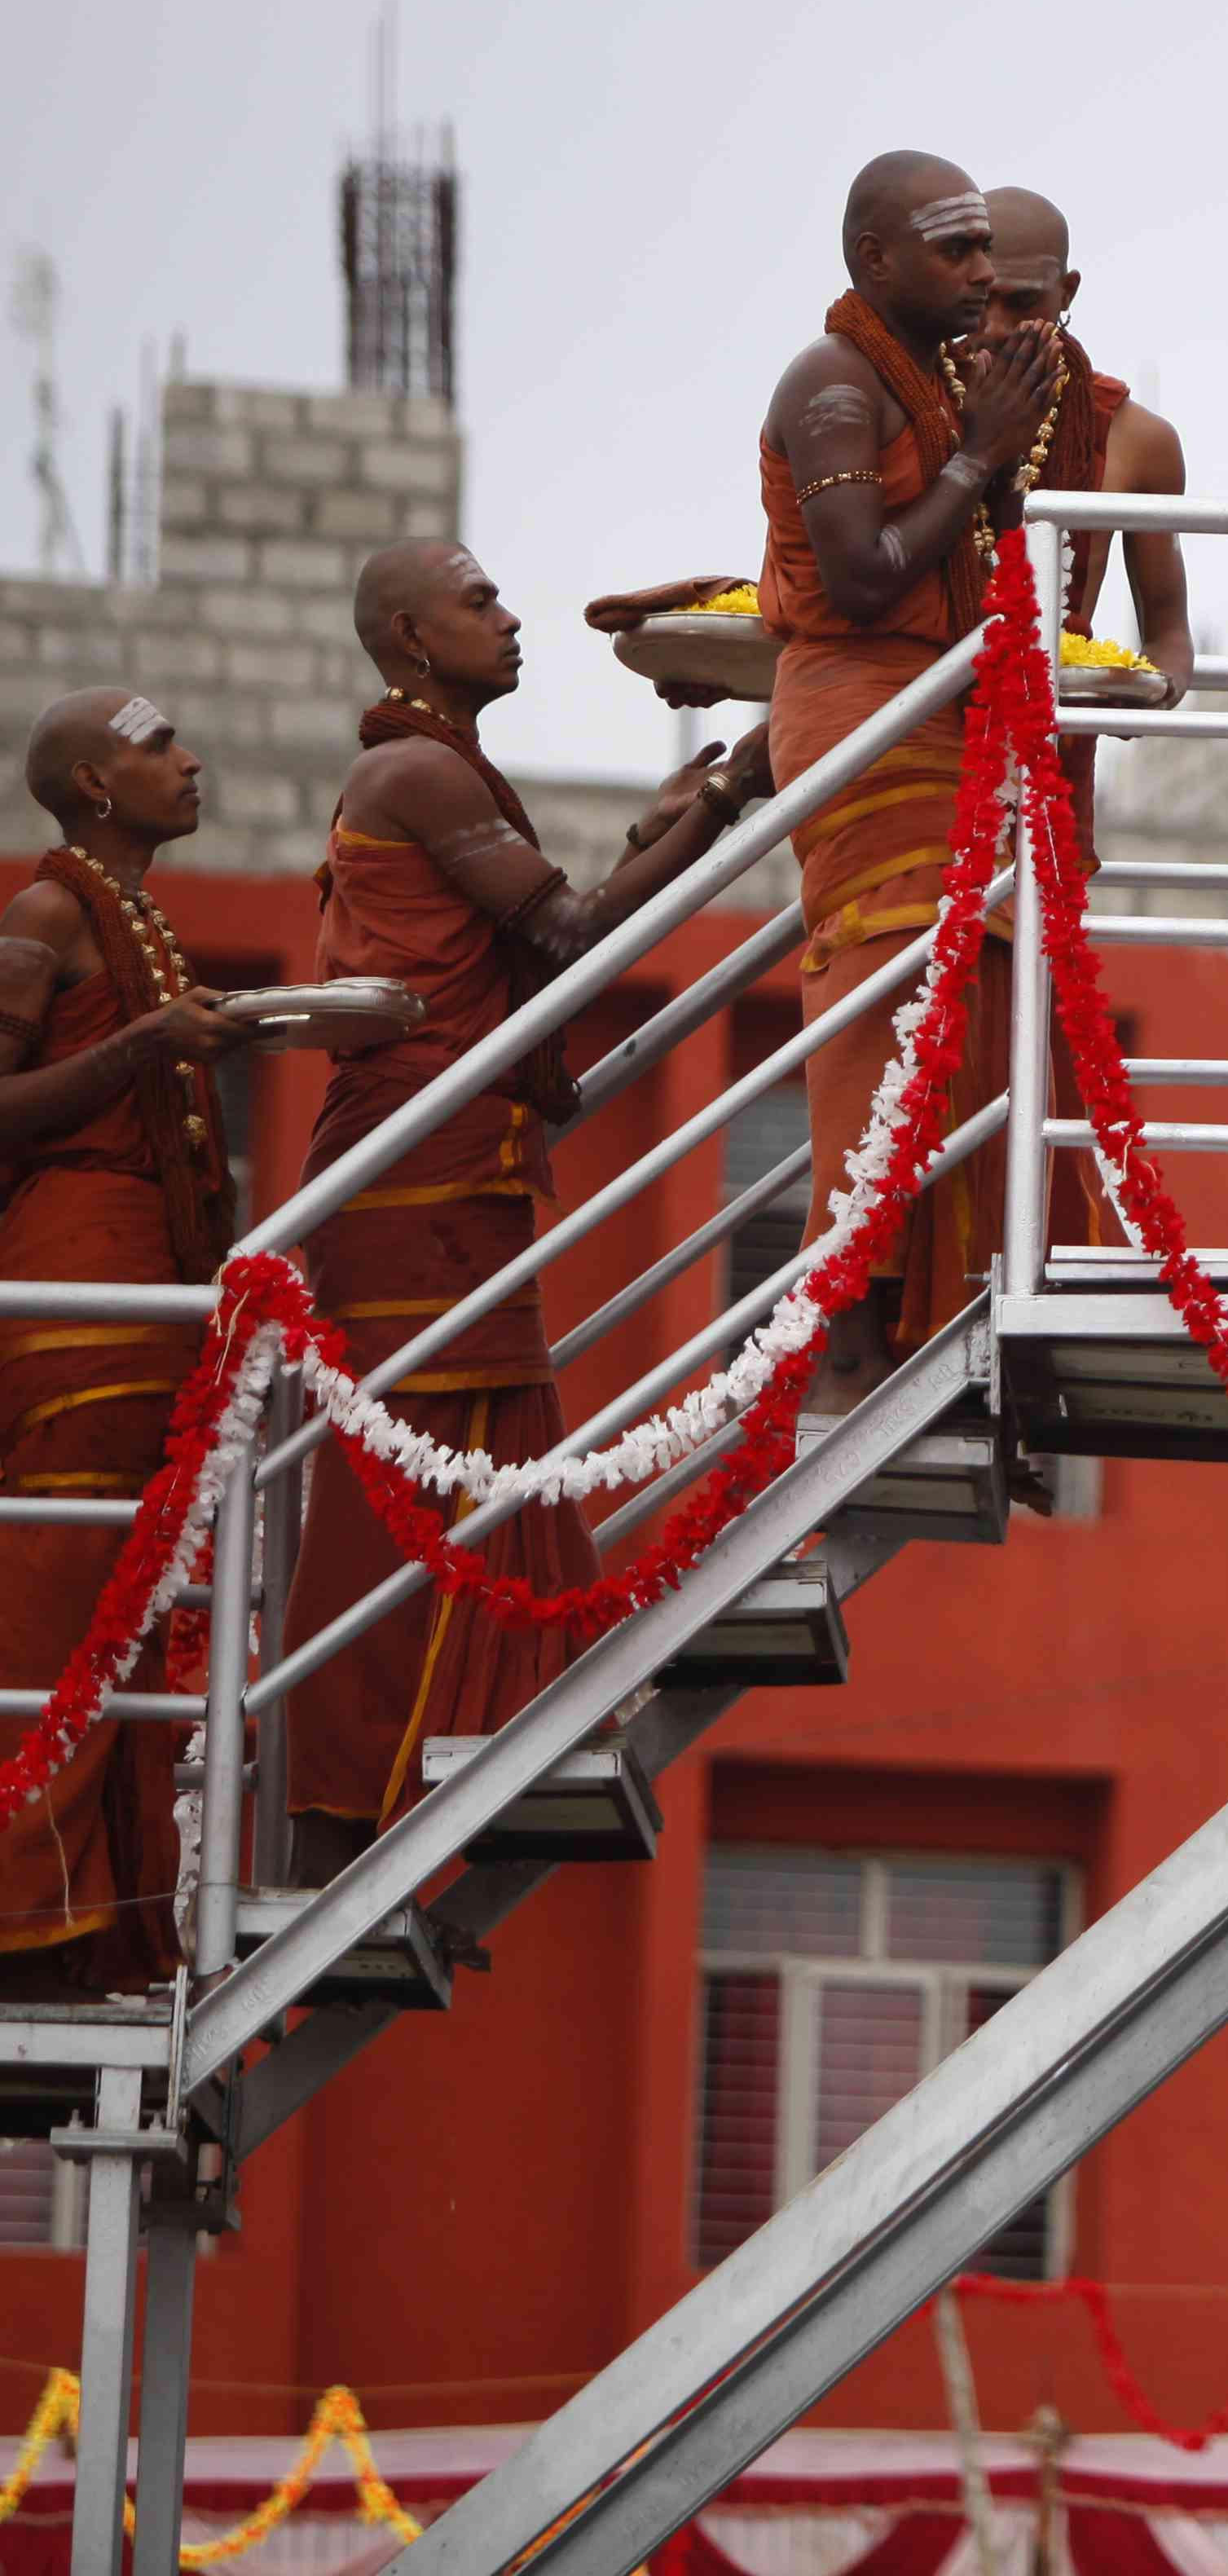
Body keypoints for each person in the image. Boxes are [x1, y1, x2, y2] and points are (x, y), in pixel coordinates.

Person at [279, 545, 767, 1865]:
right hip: (413, 1154)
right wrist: (722, 800)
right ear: (406, 635)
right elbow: (567, 935)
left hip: (446, 1153)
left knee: (482, 1443)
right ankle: (345, 1798)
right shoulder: (418, 770)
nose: (508, 619)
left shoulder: (436, 769)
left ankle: (417, 1780)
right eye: (478, 601)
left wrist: (697, 807)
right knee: (406, 1467)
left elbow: (542, 926)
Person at [756, 152, 1070, 1394]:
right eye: (955, 251)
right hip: (862, 723)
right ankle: (842, 1334)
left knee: (970, 1003)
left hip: (948, 723)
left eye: (987, 250)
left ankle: (932, 1320)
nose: (984, 274)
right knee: (884, 1011)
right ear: (873, 261)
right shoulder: (832, 383)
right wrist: (978, 455)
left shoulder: (941, 377)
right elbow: (861, 576)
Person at [0, 696, 266, 1993]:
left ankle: (100, 1929)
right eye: (163, 745)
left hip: (145, 1288)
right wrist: (154, 1042)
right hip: (76, 1294)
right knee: (58, 1611)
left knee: (128, 1606)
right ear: (97, 786)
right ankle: (25, 1926)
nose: (193, 758)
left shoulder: (138, 921)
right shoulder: (47, 917)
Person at [976, 187, 1193, 851]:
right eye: (979, 297)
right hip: (915, 730)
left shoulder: (1137, 440)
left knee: (1031, 951)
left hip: (1051, 741)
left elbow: (1169, 636)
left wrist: (1145, 693)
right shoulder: (911, 402)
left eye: (1021, 302)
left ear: (1066, 291)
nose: (992, 326)